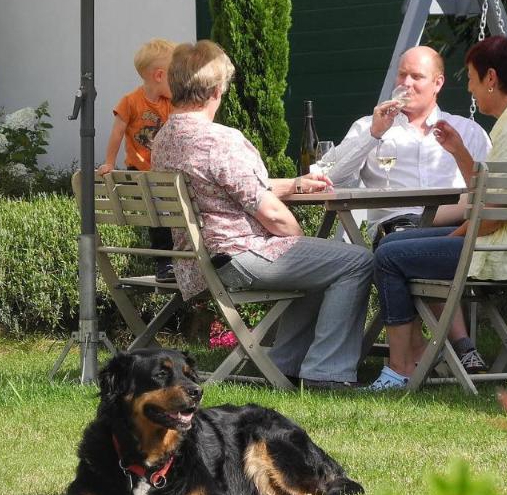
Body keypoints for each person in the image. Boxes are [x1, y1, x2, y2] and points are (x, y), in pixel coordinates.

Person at [151, 41, 374, 390]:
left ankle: (286, 363)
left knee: (321, 263)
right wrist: (296, 236)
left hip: (198, 260)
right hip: (238, 254)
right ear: (216, 89)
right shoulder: (220, 140)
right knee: (355, 261)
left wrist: (295, 184)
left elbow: (220, 185)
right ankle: (326, 373)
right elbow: (270, 213)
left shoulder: (164, 138)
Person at [367, 35, 507, 391]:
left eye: (472, 79)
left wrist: (451, 236)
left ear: (491, 78)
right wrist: (460, 153)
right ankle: (426, 355)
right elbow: (490, 203)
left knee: (390, 255)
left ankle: (400, 369)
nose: (471, 90)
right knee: (400, 244)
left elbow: (491, 218)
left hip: (500, 247)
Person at [322, 45, 491, 244]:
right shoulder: (369, 126)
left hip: (457, 229)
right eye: (402, 75)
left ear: (437, 83)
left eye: (416, 76)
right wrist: (373, 134)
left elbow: (492, 191)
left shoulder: (468, 131)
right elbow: (329, 178)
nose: (406, 83)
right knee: (399, 245)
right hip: (399, 230)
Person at [98, 37, 176, 281]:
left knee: (173, 215)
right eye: (176, 75)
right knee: (159, 217)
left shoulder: (171, 103)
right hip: (140, 173)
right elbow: (117, 132)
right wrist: (109, 162)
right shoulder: (130, 101)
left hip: (164, 172)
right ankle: (164, 265)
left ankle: (179, 262)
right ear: (159, 75)